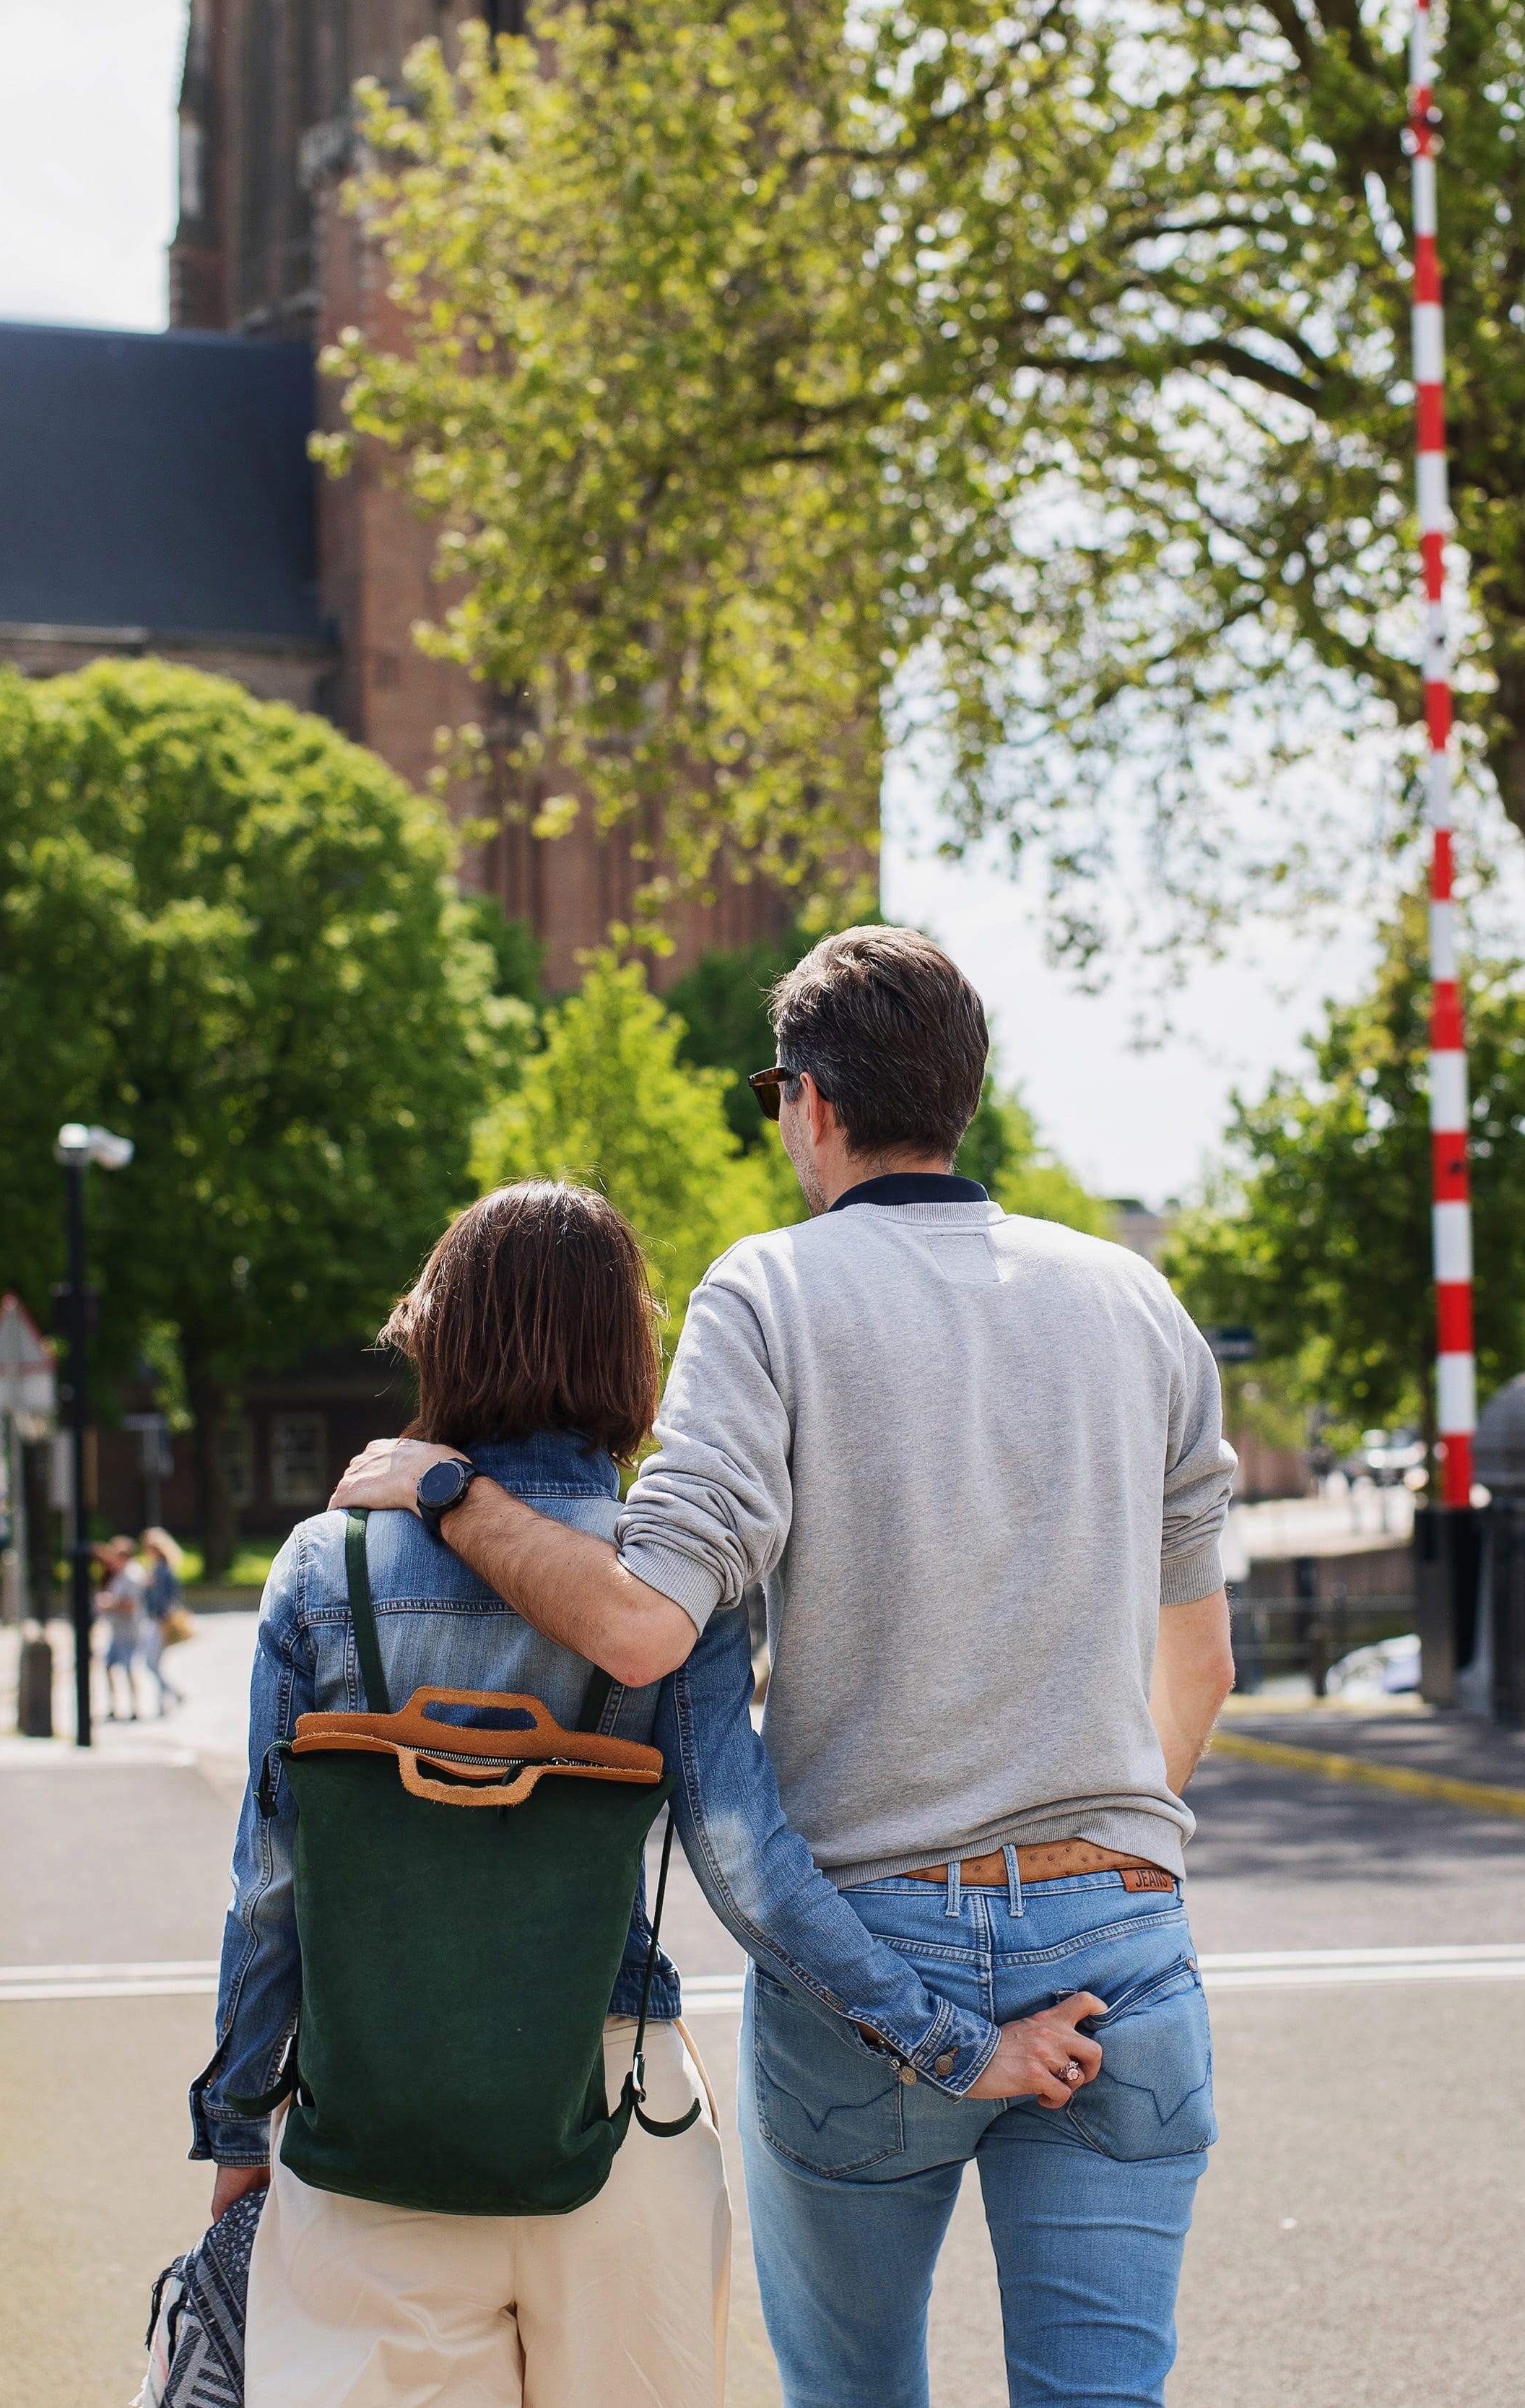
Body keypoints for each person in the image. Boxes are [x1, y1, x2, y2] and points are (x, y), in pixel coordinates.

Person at [334, 926, 1240, 2408]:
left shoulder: (770, 1293)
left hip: (874, 1953)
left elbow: (640, 1625)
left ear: (807, 1100)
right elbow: (1195, 1663)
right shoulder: (1135, 1302)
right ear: (958, 1093)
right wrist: (1097, 1855)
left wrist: (446, 1486)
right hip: (1118, 1946)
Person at [194, 1179, 1109, 2407]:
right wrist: (958, 2044)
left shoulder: (328, 1562)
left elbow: (272, 1883)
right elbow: (746, 1864)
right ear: (627, 1353)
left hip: (373, 2123)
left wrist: (239, 2124)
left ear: (443, 1333)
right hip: (618, 2111)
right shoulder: (665, 1582)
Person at [92, 1536, 148, 1722]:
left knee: (129, 1669)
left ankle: (135, 1708)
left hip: (129, 1630)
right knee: (109, 1666)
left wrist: (110, 1604)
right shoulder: (120, 1572)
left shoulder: (132, 1574)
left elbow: (132, 1604)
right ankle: (114, 1706)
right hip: (117, 1630)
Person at [136, 1525, 189, 1715]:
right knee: (153, 1664)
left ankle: (169, 1697)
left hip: (160, 1621)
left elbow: (166, 1599)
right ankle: (164, 1701)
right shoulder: (157, 1569)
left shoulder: (164, 1571)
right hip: (154, 1620)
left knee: (152, 1664)